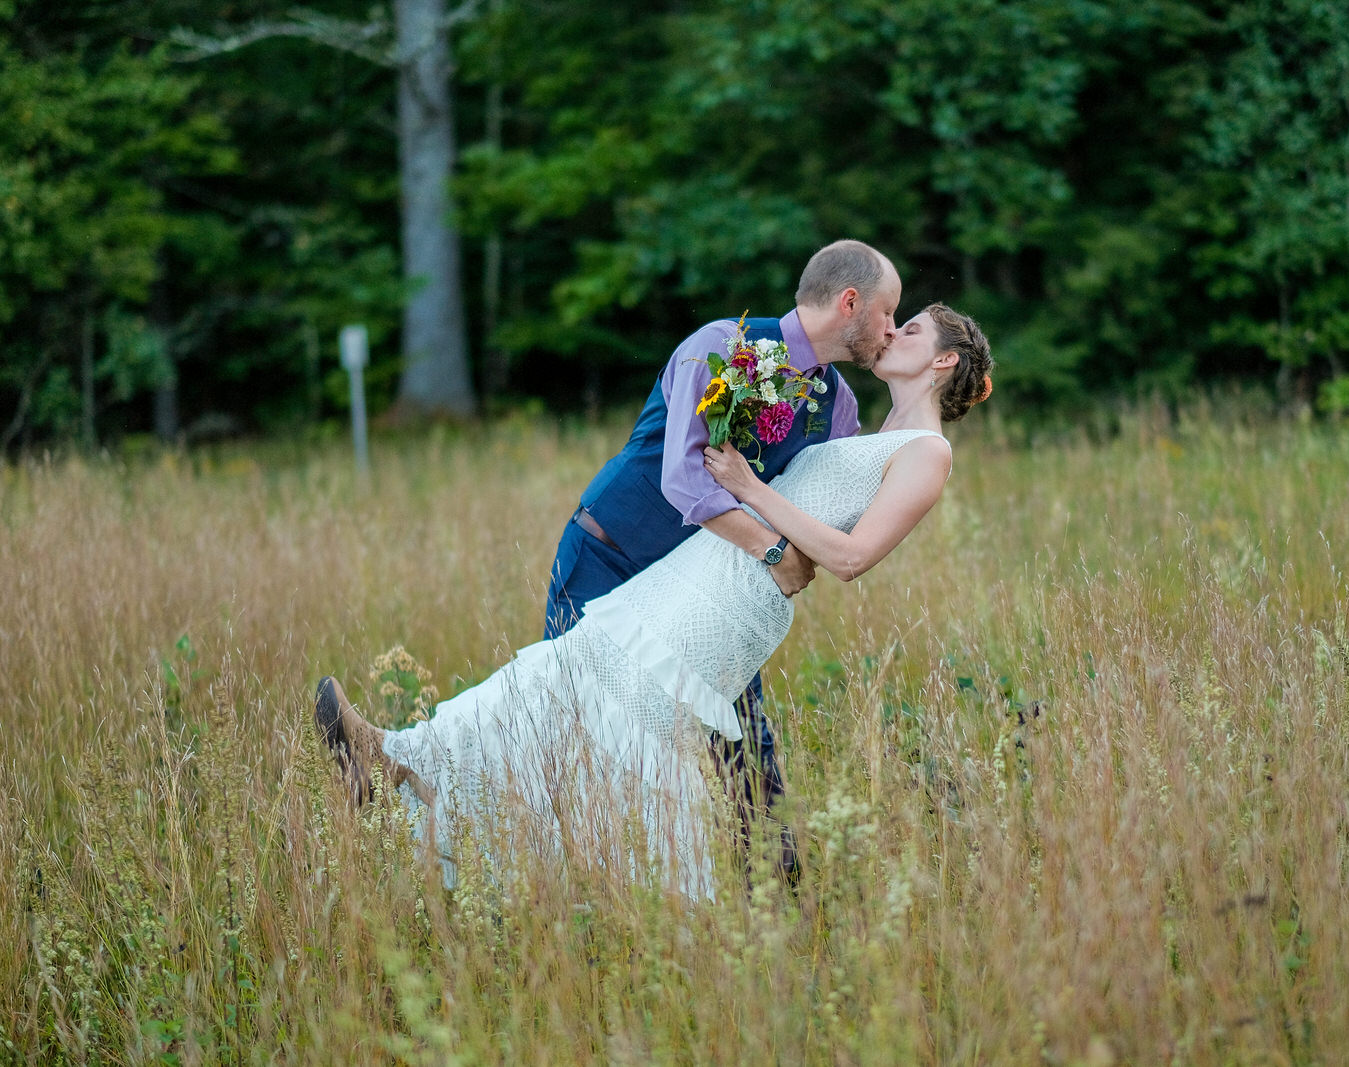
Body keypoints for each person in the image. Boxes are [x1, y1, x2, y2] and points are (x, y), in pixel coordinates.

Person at [315, 304, 993, 898]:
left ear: (942, 360)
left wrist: (749, 488)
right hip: (704, 566)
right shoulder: (858, 426)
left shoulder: (928, 452)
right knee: (568, 672)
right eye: (892, 318)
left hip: (739, 595)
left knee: (632, 730)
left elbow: (848, 558)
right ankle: (401, 758)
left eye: (909, 328)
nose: (891, 332)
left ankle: (655, 892)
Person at [542, 239, 900, 877]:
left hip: (707, 593)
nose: (891, 330)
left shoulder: (838, 404)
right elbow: (685, 480)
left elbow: (826, 504)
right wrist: (773, 550)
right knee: (571, 727)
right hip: (612, 557)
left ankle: (778, 909)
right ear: (850, 302)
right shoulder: (720, 345)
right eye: (887, 314)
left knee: (746, 755)